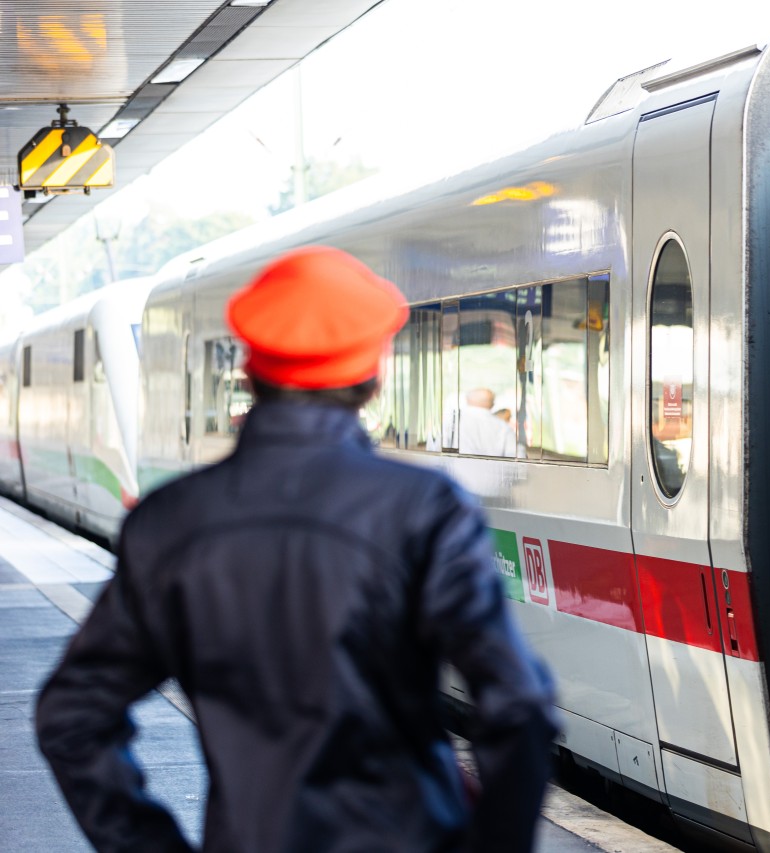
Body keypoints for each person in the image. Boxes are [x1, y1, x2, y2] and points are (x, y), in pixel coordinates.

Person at [36, 246, 558, 853]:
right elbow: (519, 707)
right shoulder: (424, 509)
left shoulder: (168, 522)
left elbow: (72, 717)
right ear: (372, 377)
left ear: (250, 372)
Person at [449, 387, 518, 457]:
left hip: (457, 466)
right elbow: (515, 457)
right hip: (493, 467)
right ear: (492, 404)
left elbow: (439, 452)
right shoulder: (504, 427)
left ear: (468, 400)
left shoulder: (453, 421)